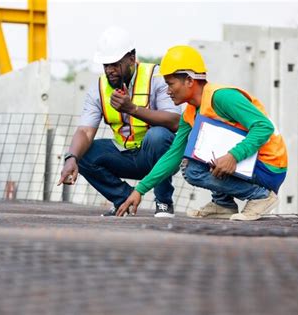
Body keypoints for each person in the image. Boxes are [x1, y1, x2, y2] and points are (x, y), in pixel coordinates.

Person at [116, 45, 288, 221]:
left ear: (189, 80)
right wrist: (139, 190)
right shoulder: (189, 114)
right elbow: (173, 155)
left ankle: (261, 196)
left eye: (170, 83)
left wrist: (233, 156)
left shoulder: (222, 97)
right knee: (194, 151)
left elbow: (263, 126)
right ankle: (223, 204)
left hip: (269, 166)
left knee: (191, 168)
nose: (168, 91)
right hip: (251, 164)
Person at [57, 26, 181, 217]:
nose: (110, 70)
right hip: (123, 154)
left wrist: (132, 109)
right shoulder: (98, 88)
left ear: (132, 58)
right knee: (84, 153)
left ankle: (164, 202)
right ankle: (123, 199)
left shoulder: (155, 78)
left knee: (159, 136)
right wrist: (71, 158)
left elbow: (174, 121)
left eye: (115, 64)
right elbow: (85, 132)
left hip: (153, 155)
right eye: (106, 65)